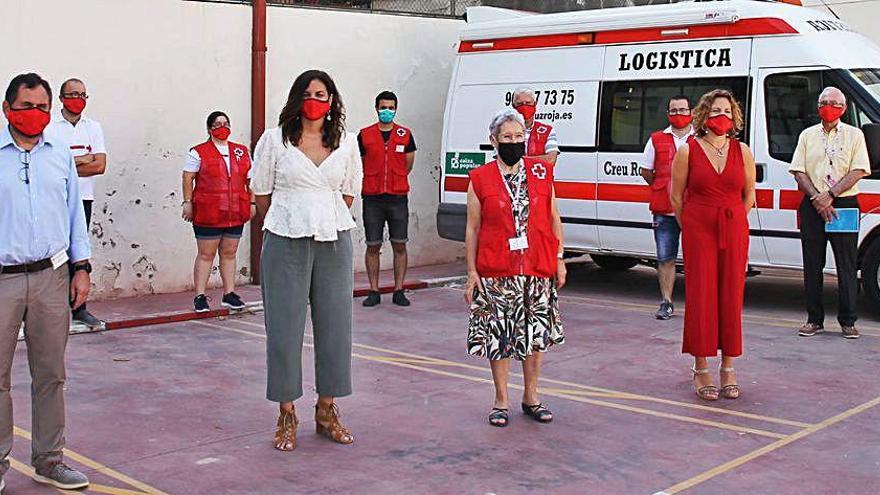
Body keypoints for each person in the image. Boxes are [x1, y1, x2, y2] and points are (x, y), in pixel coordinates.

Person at [252, 70, 361, 451]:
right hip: (285, 238)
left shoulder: (346, 143)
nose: (315, 100)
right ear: (297, 98)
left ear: (332, 101)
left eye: (323, 93)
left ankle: (327, 409)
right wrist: (289, 217)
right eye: (309, 93)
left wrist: (322, 215)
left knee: (335, 326)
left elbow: (348, 193)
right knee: (284, 329)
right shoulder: (274, 140)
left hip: (333, 238)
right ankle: (286, 412)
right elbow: (261, 194)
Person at [0, 73, 91, 490]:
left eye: (41, 107)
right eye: (25, 107)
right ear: (7, 110)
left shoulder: (60, 156)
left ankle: (50, 459)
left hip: (51, 277)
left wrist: (82, 267)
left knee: (51, 373)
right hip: (2, 280)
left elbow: (76, 214)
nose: (34, 115)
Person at [465, 108, 566, 427]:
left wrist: (559, 258)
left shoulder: (540, 172)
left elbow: (553, 216)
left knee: (536, 335)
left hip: (536, 267)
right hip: (497, 269)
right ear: (493, 141)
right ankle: (501, 400)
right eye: (507, 137)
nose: (513, 142)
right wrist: (472, 272)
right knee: (500, 336)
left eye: (519, 136)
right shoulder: (480, 179)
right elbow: (472, 228)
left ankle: (531, 396)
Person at [671, 89, 756, 401]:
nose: (722, 116)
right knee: (702, 295)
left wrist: (734, 220)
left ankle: (729, 366)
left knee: (731, 295)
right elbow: (676, 197)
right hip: (699, 230)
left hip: (733, 228)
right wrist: (693, 225)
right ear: (704, 116)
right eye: (716, 110)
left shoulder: (742, 151)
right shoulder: (688, 150)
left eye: (727, 111)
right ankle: (701, 365)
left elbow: (749, 194)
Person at [790, 87, 871, 340]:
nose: (828, 106)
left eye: (834, 103)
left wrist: (830, 195)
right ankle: (814, 320)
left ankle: (848, 321)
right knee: (812, 264)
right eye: (824, 102)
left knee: (846, 265)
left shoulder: (854, 134)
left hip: (844, 205)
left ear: (844, 108)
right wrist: (817, 198)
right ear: (817, 107)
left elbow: (858, 170)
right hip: (812, 205)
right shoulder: (807, 135)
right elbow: (798, 171)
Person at [46, 78, 106, 329]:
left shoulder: (93, 127)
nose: (78, 99)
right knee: (54, 254)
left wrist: (69, 162)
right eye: (73, 94)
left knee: (78, 254)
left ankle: (79, 309)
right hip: (55, 198)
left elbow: (100, 165)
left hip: (83, 198)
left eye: (82, 94)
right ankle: (51, 309)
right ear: (61, 98)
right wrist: (83, 159)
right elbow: (49, 167)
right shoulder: (49, 127)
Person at [181, 111, 255, 313]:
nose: (222, 127)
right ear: (209, 129)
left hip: (235, 211)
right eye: (216, 124)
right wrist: (188, 202)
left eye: (225, 123)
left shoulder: (241, 151)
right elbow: (188, 178)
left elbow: (251, 180)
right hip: (208, 211)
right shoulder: (198, 152)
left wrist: (253, 203)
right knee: (206, 254)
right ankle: (200, 296)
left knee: (229, 252)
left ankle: (229, 294)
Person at [358, 91, 417, 307]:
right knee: (373, 245)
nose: (387, 111)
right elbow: (361, 163)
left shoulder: (405, 134)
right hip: (372, 197)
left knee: (399, 244)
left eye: (391, 108)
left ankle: (399, 289)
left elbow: (408, 164)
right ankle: (374, 290)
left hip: (397, 196)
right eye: (383, 107)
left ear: (396, 109)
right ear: (376, 108)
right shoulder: (364, 135)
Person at [640, 96, 694, 320]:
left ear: (691, 111)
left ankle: (698, 303)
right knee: (665, 258)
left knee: (696, 258)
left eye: (682, 109)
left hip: (693, 209)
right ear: (667, 113)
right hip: (665, 210)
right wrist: (664, 187)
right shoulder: (656, 139)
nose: (678, 114)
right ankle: (667, 302)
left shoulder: (700, 138)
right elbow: (646, 171)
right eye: (673, 110)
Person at [511, 87, 559, 164]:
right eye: (519, 104)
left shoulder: (547, 131)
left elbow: (551, 160)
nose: (524, 107)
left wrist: (521, 161)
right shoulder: (503, 131)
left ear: (535, 104)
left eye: (528, 103)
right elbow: (502, 163)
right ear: (513, 106)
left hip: (538, 176)